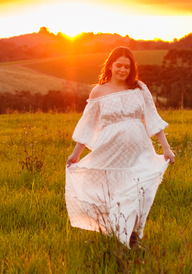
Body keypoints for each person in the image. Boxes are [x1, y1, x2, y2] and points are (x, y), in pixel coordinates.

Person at [65, 46, 175, 248]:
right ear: (110, 66)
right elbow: (88, 124)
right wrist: (76, 154)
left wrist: (166, 148)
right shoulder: (99, 91)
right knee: (115, 196)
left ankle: (132, 238)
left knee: (139, 191)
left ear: (132, 68)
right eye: (119, 65)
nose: (123, 70)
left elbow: (152, 118)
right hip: (110, 152)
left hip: (139, 150)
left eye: (127, 66)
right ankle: (123, 238)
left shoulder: (139, 88)